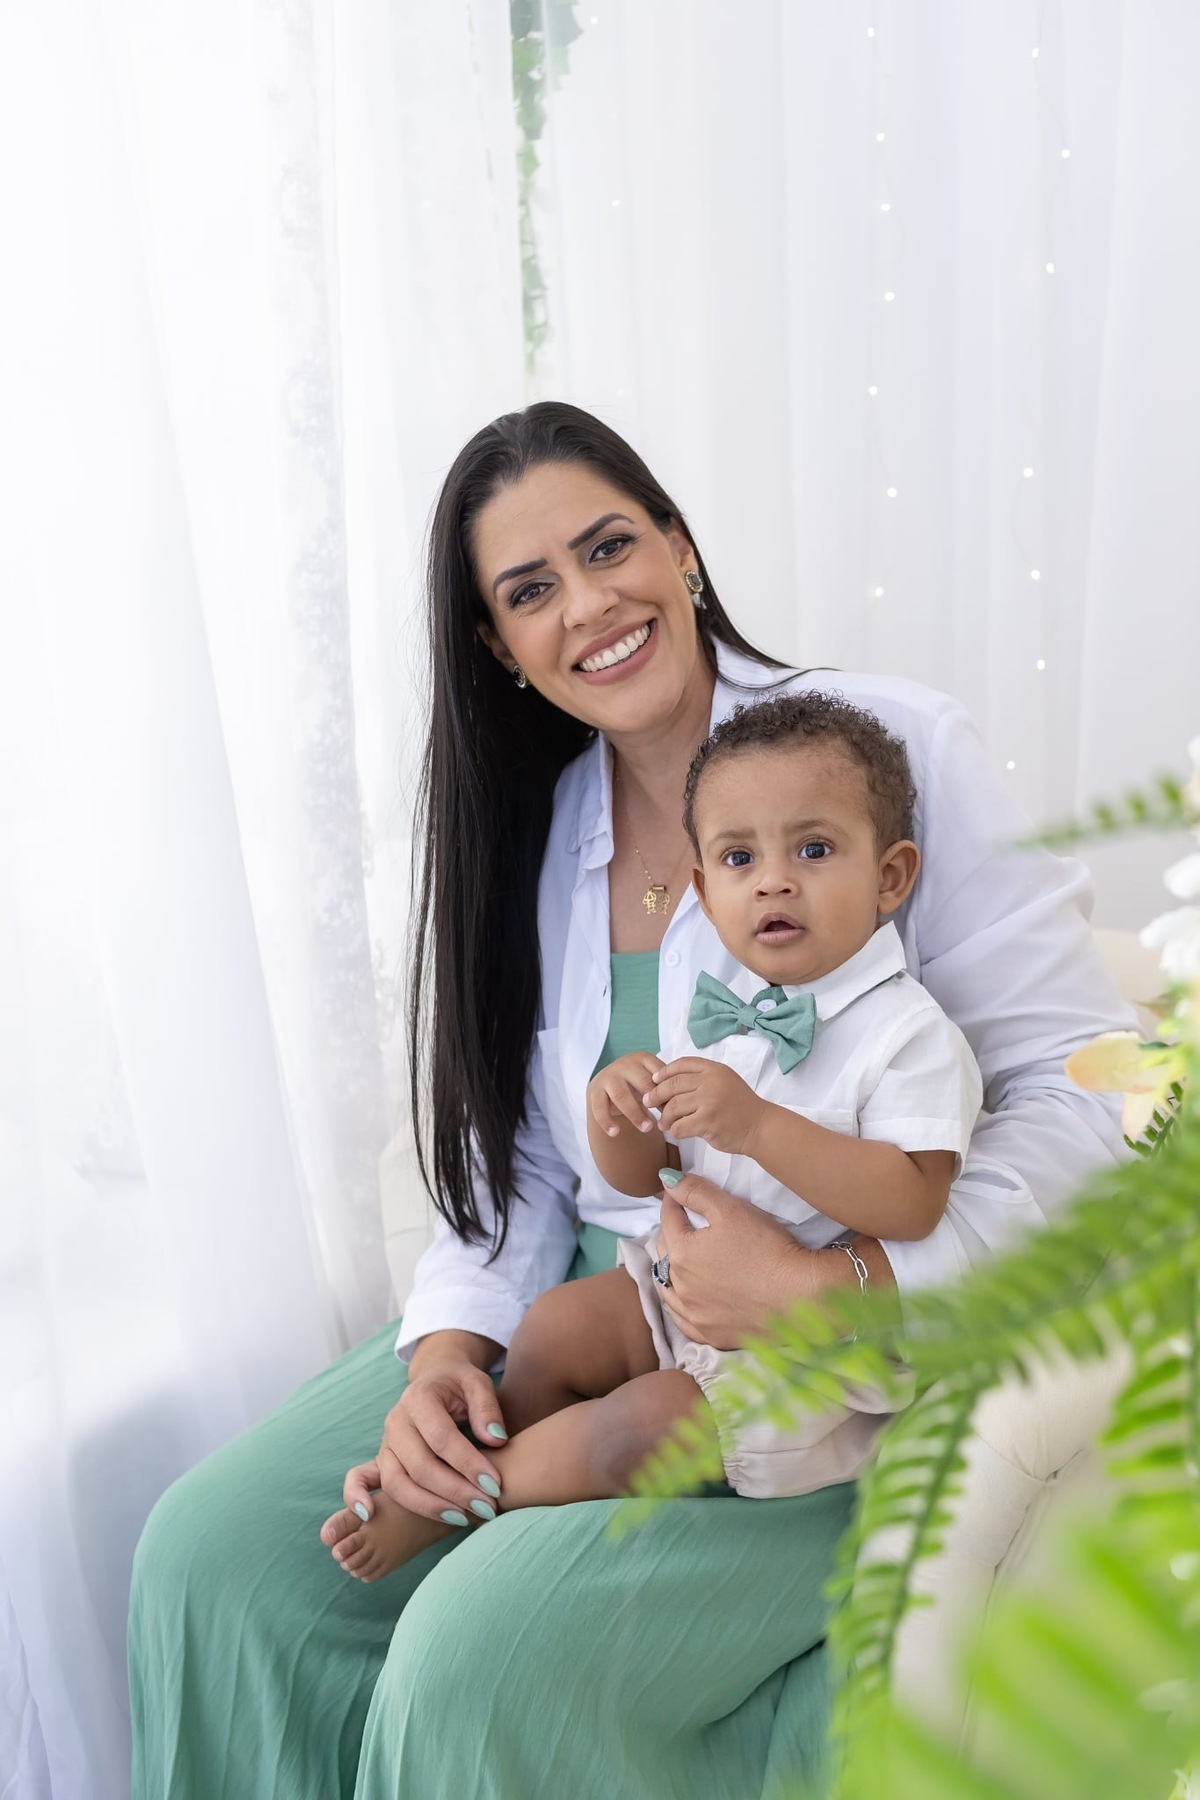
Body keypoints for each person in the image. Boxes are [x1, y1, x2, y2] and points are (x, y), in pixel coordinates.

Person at [128, 401, 1131, 1800]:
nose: (588, 604)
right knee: (215, 1561)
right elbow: (523, 1184)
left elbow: (1092, 1090)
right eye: (531, 590)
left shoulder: (893, 750)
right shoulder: (531, 837)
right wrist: (442, 1367)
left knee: (473, 1659)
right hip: (591, 1308)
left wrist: (846, 1277)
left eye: (610, 547)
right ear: (499, 646)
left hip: (821, 1359)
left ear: (680, 546)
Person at [317, 691, 983, 1580]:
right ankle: (479, 1455)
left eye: (814, 850)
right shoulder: (726, 1019)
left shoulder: (911, 1036)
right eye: (740, 857)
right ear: (705, 890)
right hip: (682, 1291)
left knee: (642, 1425)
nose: (775, 880)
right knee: (553, 1329)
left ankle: (480, 1494)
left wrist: (756, 1125)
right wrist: (617, 1114)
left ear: (892, 876)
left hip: (807, 1349)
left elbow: (911, 1198)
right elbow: (647, 1178)